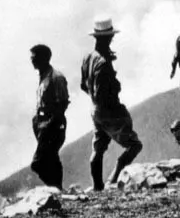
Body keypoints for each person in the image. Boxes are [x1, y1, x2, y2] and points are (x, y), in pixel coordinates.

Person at [81, 17, 143, 191]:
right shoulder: (103, 64)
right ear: (108, 38)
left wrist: (95, 99)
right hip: (109, 111)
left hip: (95, 110)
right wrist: (115, 89)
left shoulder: (88, 57)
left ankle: (97, 187)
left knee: (98, 147)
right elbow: (104, 94)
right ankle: (115, 176)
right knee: (134, 145)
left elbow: (83, 85)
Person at [29, 44, 70, 189]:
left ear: (43, 58)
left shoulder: (56, 77)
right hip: (42, 124)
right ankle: (57, 189)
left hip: (53, 124)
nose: (31, 60)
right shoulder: (43, 76)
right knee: (52, 158)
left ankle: (55, 188)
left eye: (34, 57)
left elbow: (62, 103)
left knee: (38, 163)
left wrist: (49, 124)